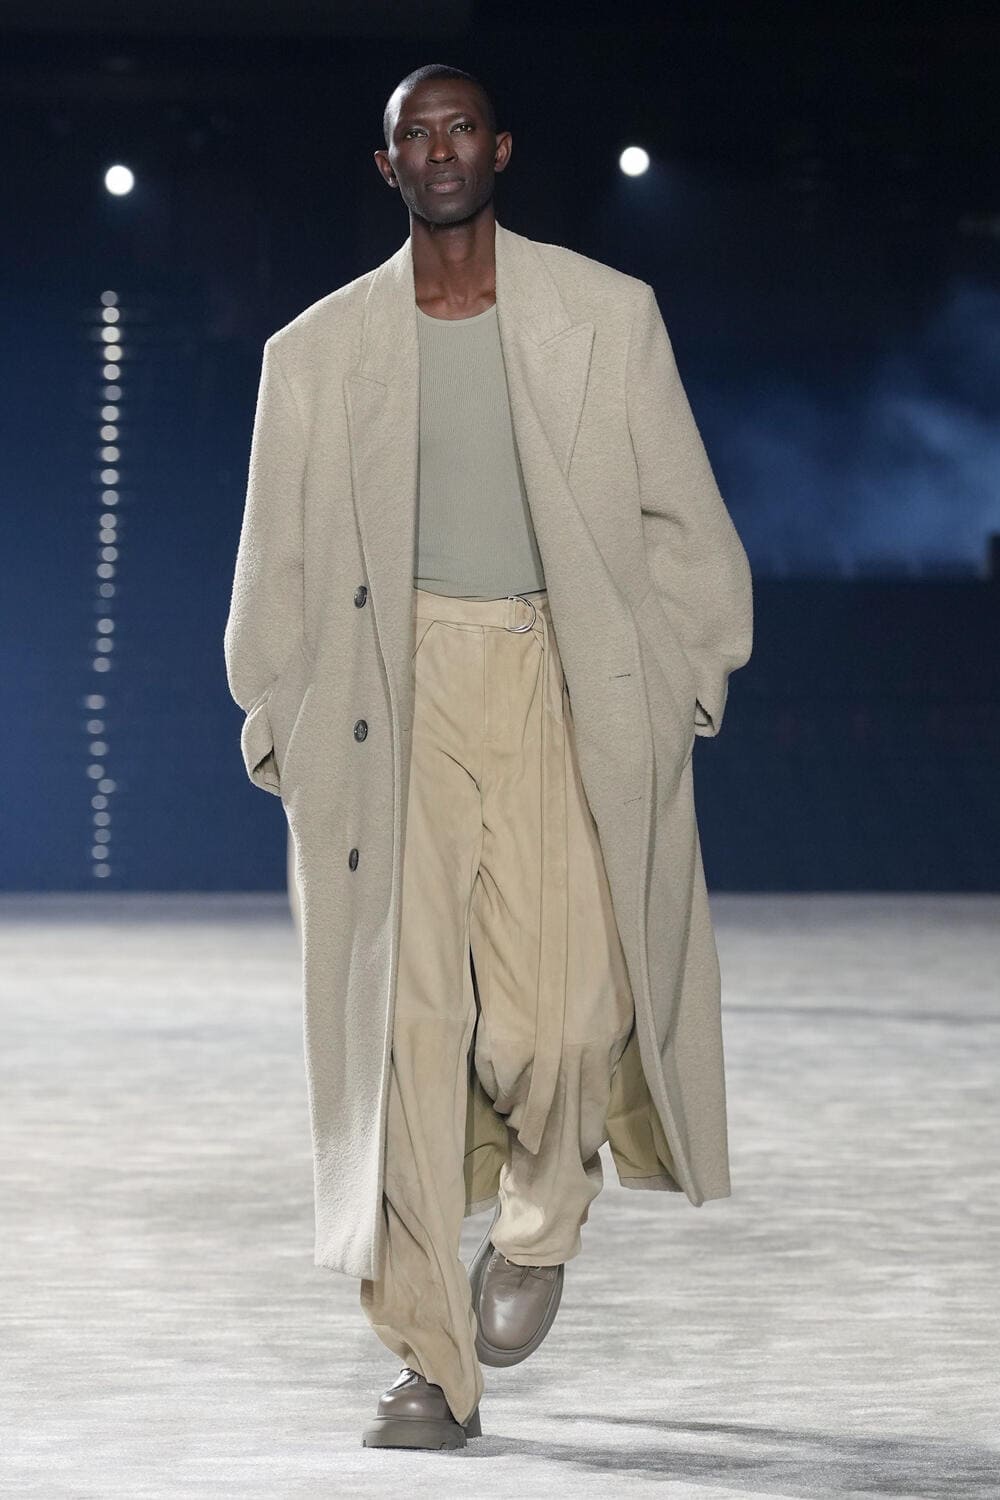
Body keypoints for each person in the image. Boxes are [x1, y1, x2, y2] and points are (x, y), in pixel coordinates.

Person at [223, 61, 753, 1454]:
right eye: (416, 132)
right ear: (387, 164)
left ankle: (536, 1224)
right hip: (382, 698)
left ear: (500, 150)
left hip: (551, 680)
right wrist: (277, 719)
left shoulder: (605, 317)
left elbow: (682, 520)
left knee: (564, 1021)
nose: (441, 148)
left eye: (461, 126)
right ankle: (429, 1364)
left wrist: (688, 681)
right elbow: (275, 561)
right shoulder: (314, 353)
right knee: (398, 1039)